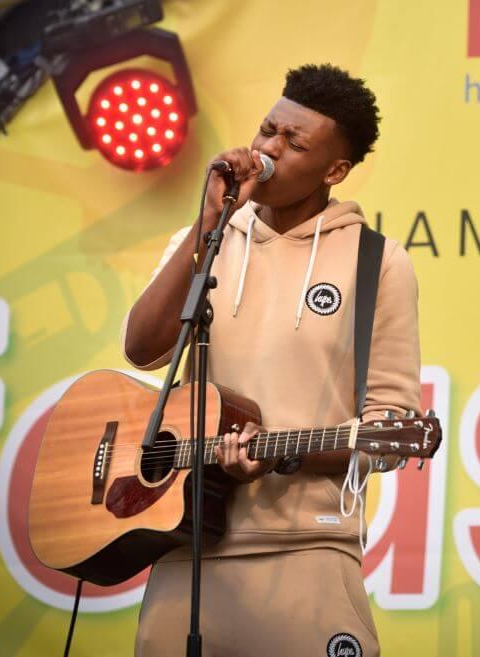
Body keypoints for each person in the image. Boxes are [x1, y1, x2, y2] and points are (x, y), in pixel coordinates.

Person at [121, 63, 420, 657]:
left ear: (335, 170)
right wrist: (210, 223)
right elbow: (141, 347)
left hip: (307, 551)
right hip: (187, 547)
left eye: (294, 142)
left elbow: (389, 432)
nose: (267, 149)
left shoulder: (376, 262)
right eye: (266, 130)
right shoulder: (207, 240)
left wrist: (277, 456)